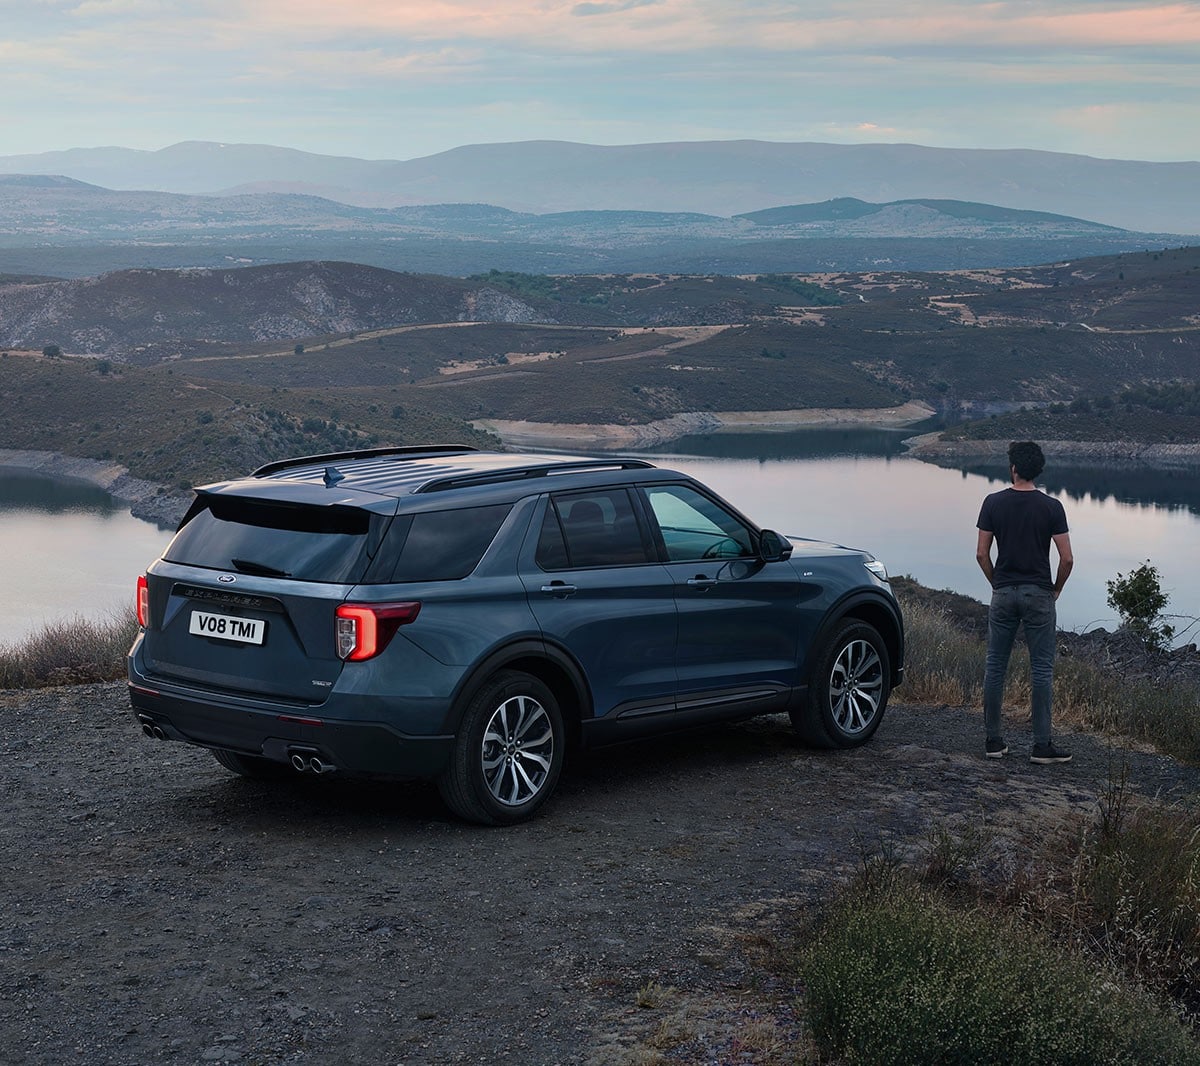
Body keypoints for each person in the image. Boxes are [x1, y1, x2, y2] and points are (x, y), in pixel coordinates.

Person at [975, 441, 1074, 764]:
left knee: (995, 667)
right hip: (1039, 595)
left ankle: (993, 742)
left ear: (1013, 468)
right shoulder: (1052, 507)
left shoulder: (993, 502)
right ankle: (1041, 746)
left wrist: (997, 583)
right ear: (1038, 470)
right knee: (1041, 670)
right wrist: (1055, 590)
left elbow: (981, 553)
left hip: (1003, 593)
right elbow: (1067, 559)